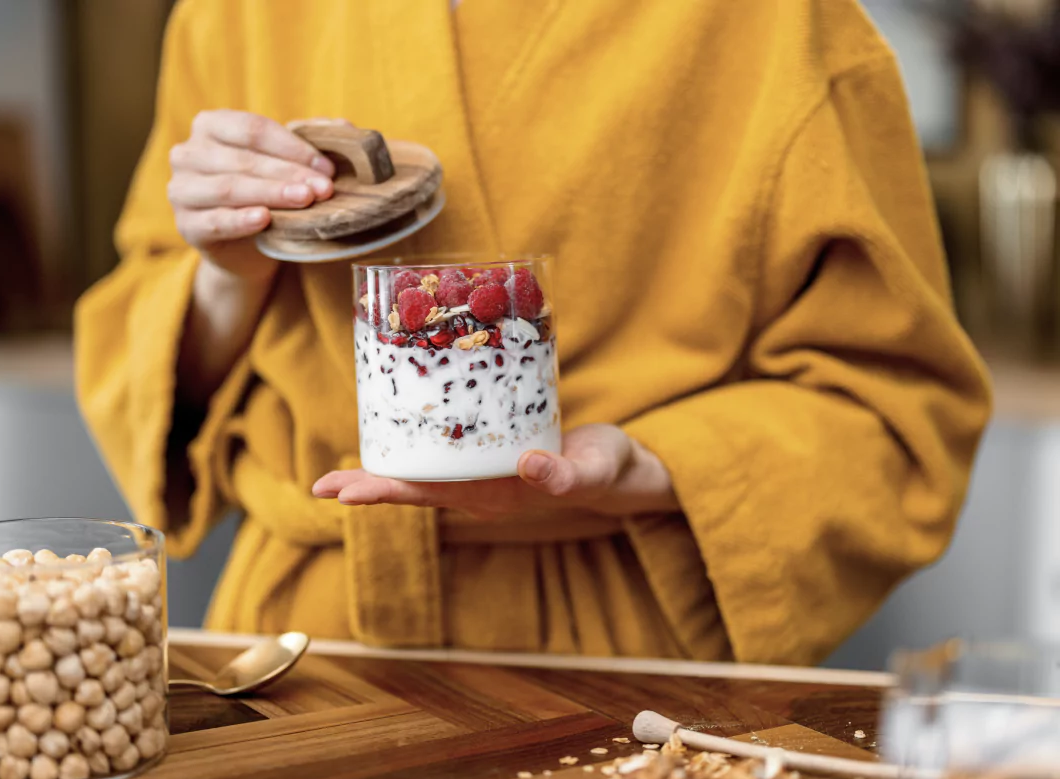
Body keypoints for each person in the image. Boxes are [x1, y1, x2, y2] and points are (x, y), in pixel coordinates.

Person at [75, 0, 991, 663]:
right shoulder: (230, 13)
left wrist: (650, 465)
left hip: (619, 651)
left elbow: (898, 411)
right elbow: (155, 375)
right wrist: (228, 271)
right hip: (302, 644)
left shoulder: (782, 26)